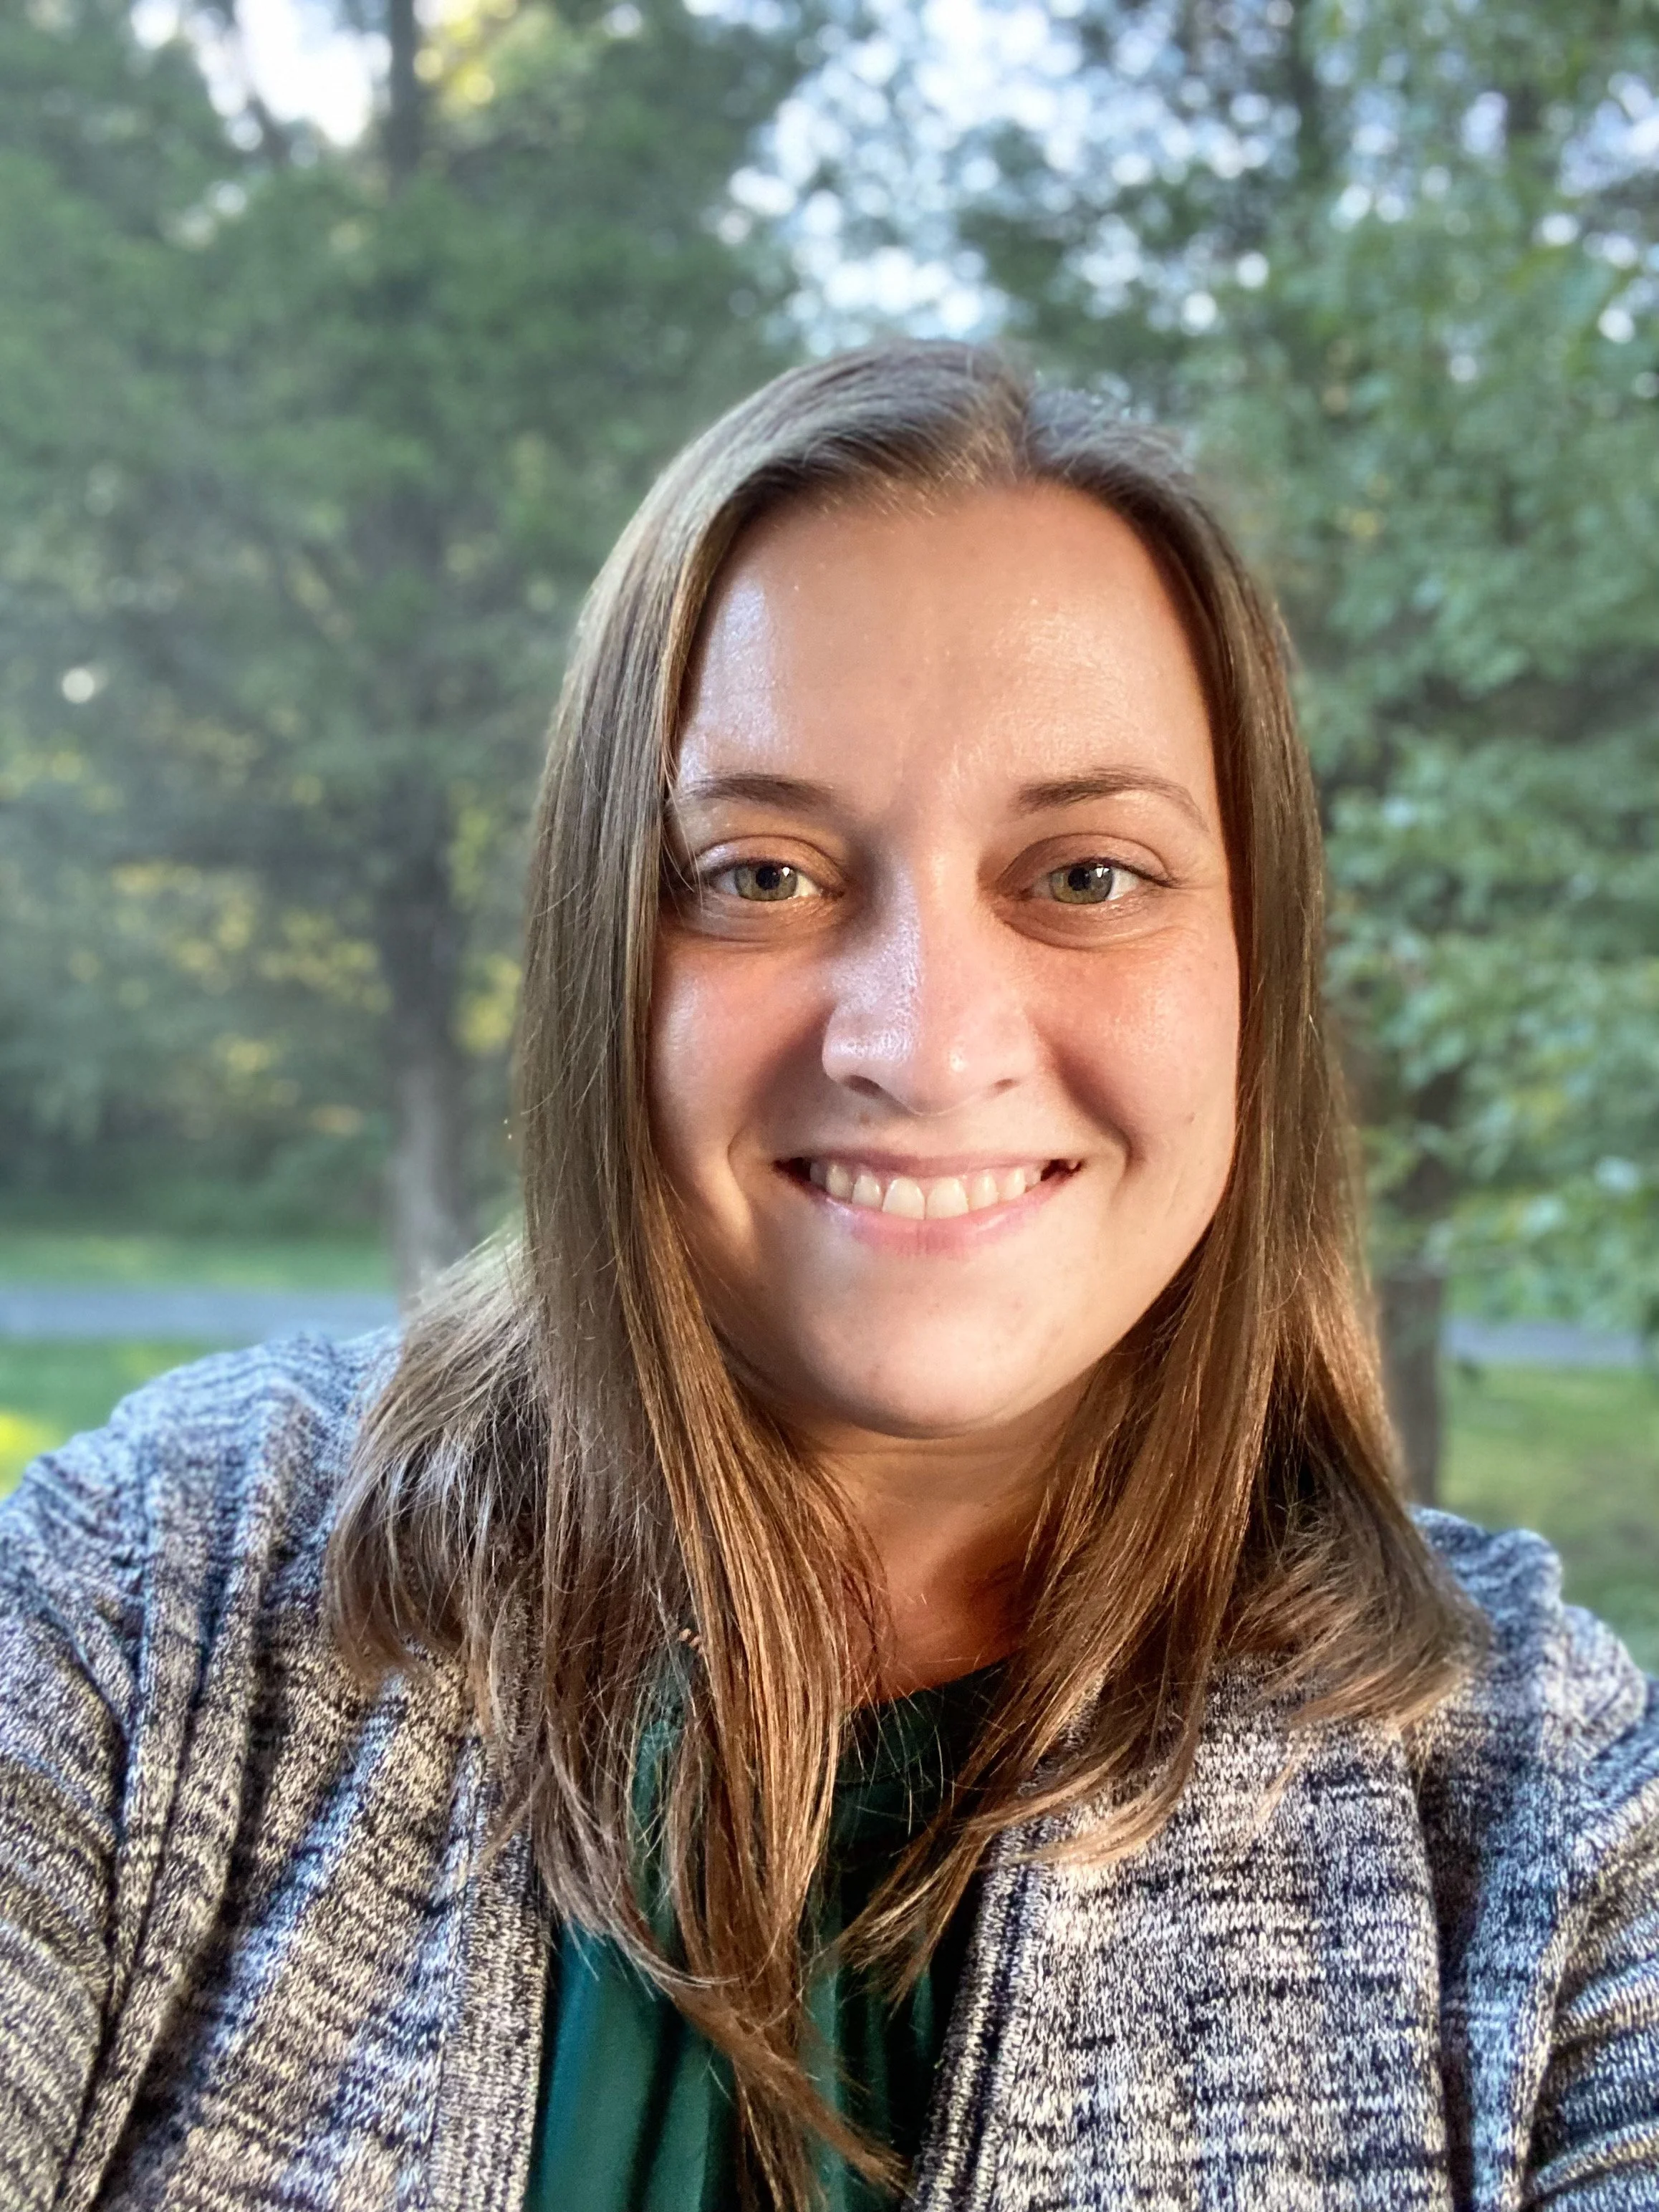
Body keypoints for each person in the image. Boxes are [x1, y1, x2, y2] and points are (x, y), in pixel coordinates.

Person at [1, 341, 1656, 2212]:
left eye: (1087, 876)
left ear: (1255, 971)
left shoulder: (1541, 1807)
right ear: (600, 950)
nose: (924, 1046)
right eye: (762, 875)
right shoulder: (149, 1599)